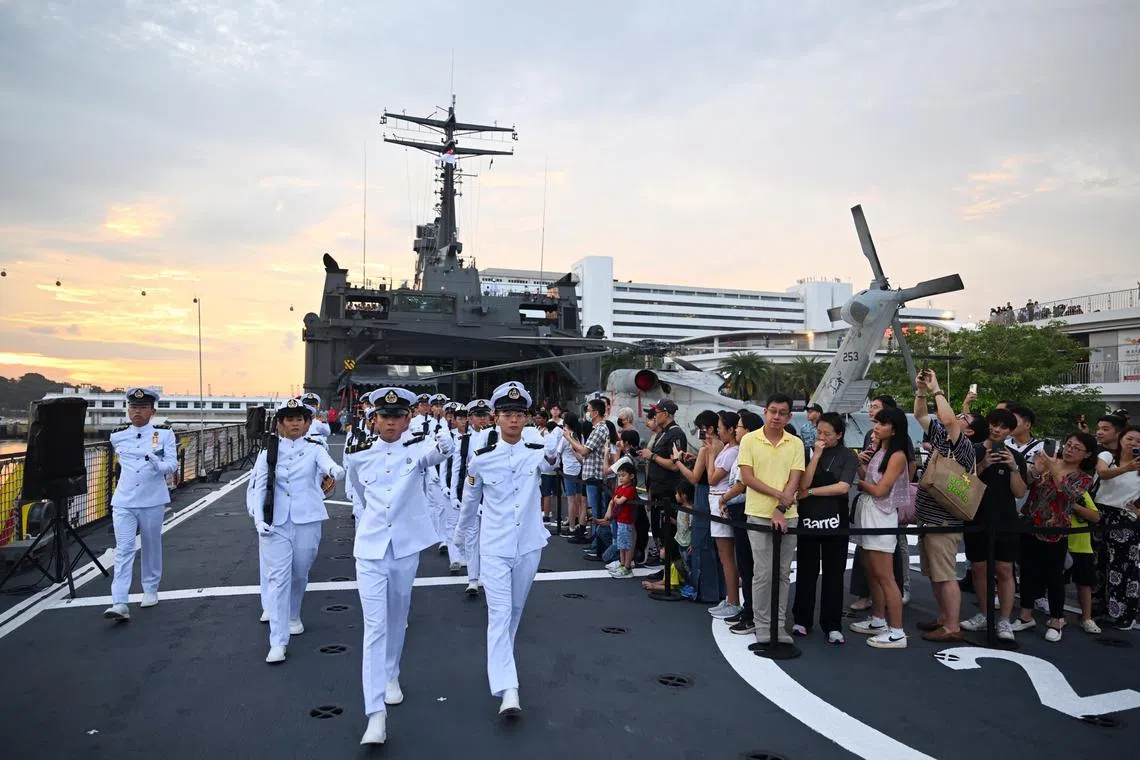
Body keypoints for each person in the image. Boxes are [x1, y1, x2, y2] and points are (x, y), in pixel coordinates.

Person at [346, 387, 455, 745]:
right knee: (374, 626)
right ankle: (375, 714)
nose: (390, 422)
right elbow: (360, 499)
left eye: (397, 417)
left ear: (407, 419)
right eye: (384, 417)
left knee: (397, 616)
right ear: (374, 419)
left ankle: (391, 672)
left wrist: (438, 425)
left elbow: (446, 450)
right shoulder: (359, 456)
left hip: (404, 549)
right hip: (371, 549)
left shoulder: (419, 449)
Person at [457, 380, 560, 717]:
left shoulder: (536, 452)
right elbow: (470, 501)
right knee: (499, 614)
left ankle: (504, 662)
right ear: (495, 418)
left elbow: (555, 460)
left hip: (529, 544)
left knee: (515, 612)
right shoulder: (482, 459)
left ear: (527, 419)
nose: (513, 420)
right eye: (507, 414)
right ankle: (508, 689)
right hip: (496, 546)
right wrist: (461, 537)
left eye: (519, 414)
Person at [246, 398, 344, 663]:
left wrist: (336, 470)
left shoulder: (315, 448)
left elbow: (328, 465)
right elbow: (259, 485)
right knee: (278, 579)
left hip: (307, 519)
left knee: (300, 572)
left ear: (307, 423)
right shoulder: (269, 452)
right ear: (280, 424)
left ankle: (293, 614)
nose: (294, 424)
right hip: (276, 521)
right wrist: (258, 518)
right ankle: (277, 641)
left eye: (299, 419)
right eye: (289, 419)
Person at [102, 387, 179, 622]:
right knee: (124, 548)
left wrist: (158, 464)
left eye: (143, 407)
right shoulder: (117, 436)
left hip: (152, 499)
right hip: (124, 500)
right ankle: (119, 601)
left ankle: (150, 588)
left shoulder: (164, 435)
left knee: (151, 544)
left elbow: (172, 466)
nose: (137, 412)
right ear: (128, 410)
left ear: (152, 411)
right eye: (134, 407)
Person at [736, 393, 805, 648]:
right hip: (757, 513)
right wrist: (780, 498)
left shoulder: (796, 443)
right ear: (765, 411)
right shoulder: (749, 441)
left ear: (789, 416)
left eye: (782, 413)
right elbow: (747, 478)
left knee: (783, 574)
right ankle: (762, 624)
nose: (776, 417)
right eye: (772, 411)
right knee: (763, 573)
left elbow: (795, 478)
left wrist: (782, 507)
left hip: (789, 515)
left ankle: (778, 623)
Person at [793, 412, 858, 645]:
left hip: (835, 521)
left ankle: (832, 625)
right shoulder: (809, 452)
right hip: (809, 520)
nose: (821, 437)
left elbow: (842, 487)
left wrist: (810, 493)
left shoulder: (848, 456)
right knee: (806, 571)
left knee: (834, 574)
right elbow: (803, 482)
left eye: (827, 434)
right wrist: (816, 454)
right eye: (818, 432)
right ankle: (801, 619)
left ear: (839, 435)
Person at [850, 406, 912, 649]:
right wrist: (858, 465)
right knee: (872, 570)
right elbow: (871, 479)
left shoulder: (897, 456)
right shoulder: (879, 450)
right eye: (877, 422)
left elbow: (879, 489)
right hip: (869, 512)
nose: (876, 427)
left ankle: (897, 631)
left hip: (881, 514)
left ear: (894, 429)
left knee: (886, 575)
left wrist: (861, 484)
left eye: (882, 423)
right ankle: (878, 619)